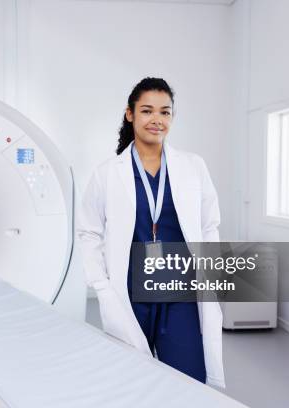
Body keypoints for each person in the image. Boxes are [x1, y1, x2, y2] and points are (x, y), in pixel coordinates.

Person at [76, 77, 225, 388]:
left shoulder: (192, 166)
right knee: (132, 382)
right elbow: (89, 233)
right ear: (130, 114)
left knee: (189, 380)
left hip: (180, 290)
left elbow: (209, 224)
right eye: (147, 111)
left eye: (165, 112)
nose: (157, 120)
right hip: (130, 292)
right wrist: (101, 286)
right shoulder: (107, 173)